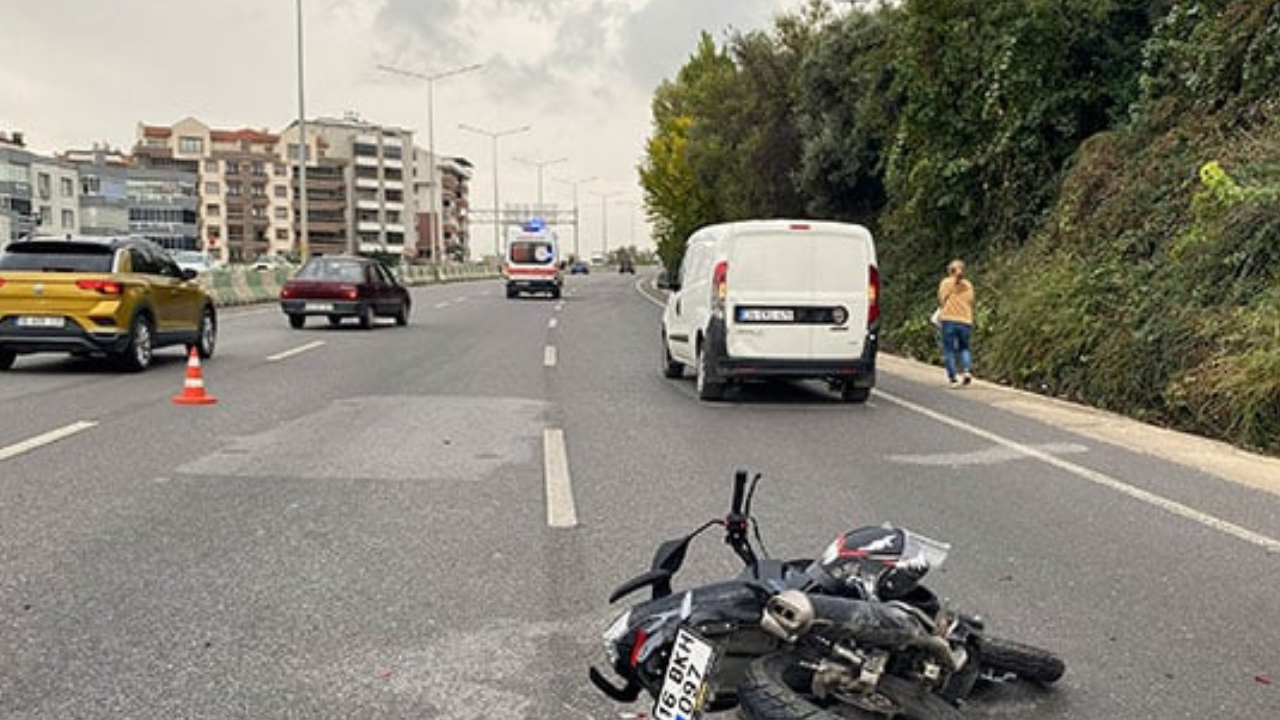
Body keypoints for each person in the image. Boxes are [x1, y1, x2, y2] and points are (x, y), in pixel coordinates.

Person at [937, 259, 975, 387]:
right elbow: (971, 301)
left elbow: (942, 301)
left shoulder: (945, 283)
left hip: (949, 319)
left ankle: (953, 379)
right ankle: (967, 371)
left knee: (949, 350)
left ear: (949, 271)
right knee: (964, 348)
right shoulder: (968, 285)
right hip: (965, 320)